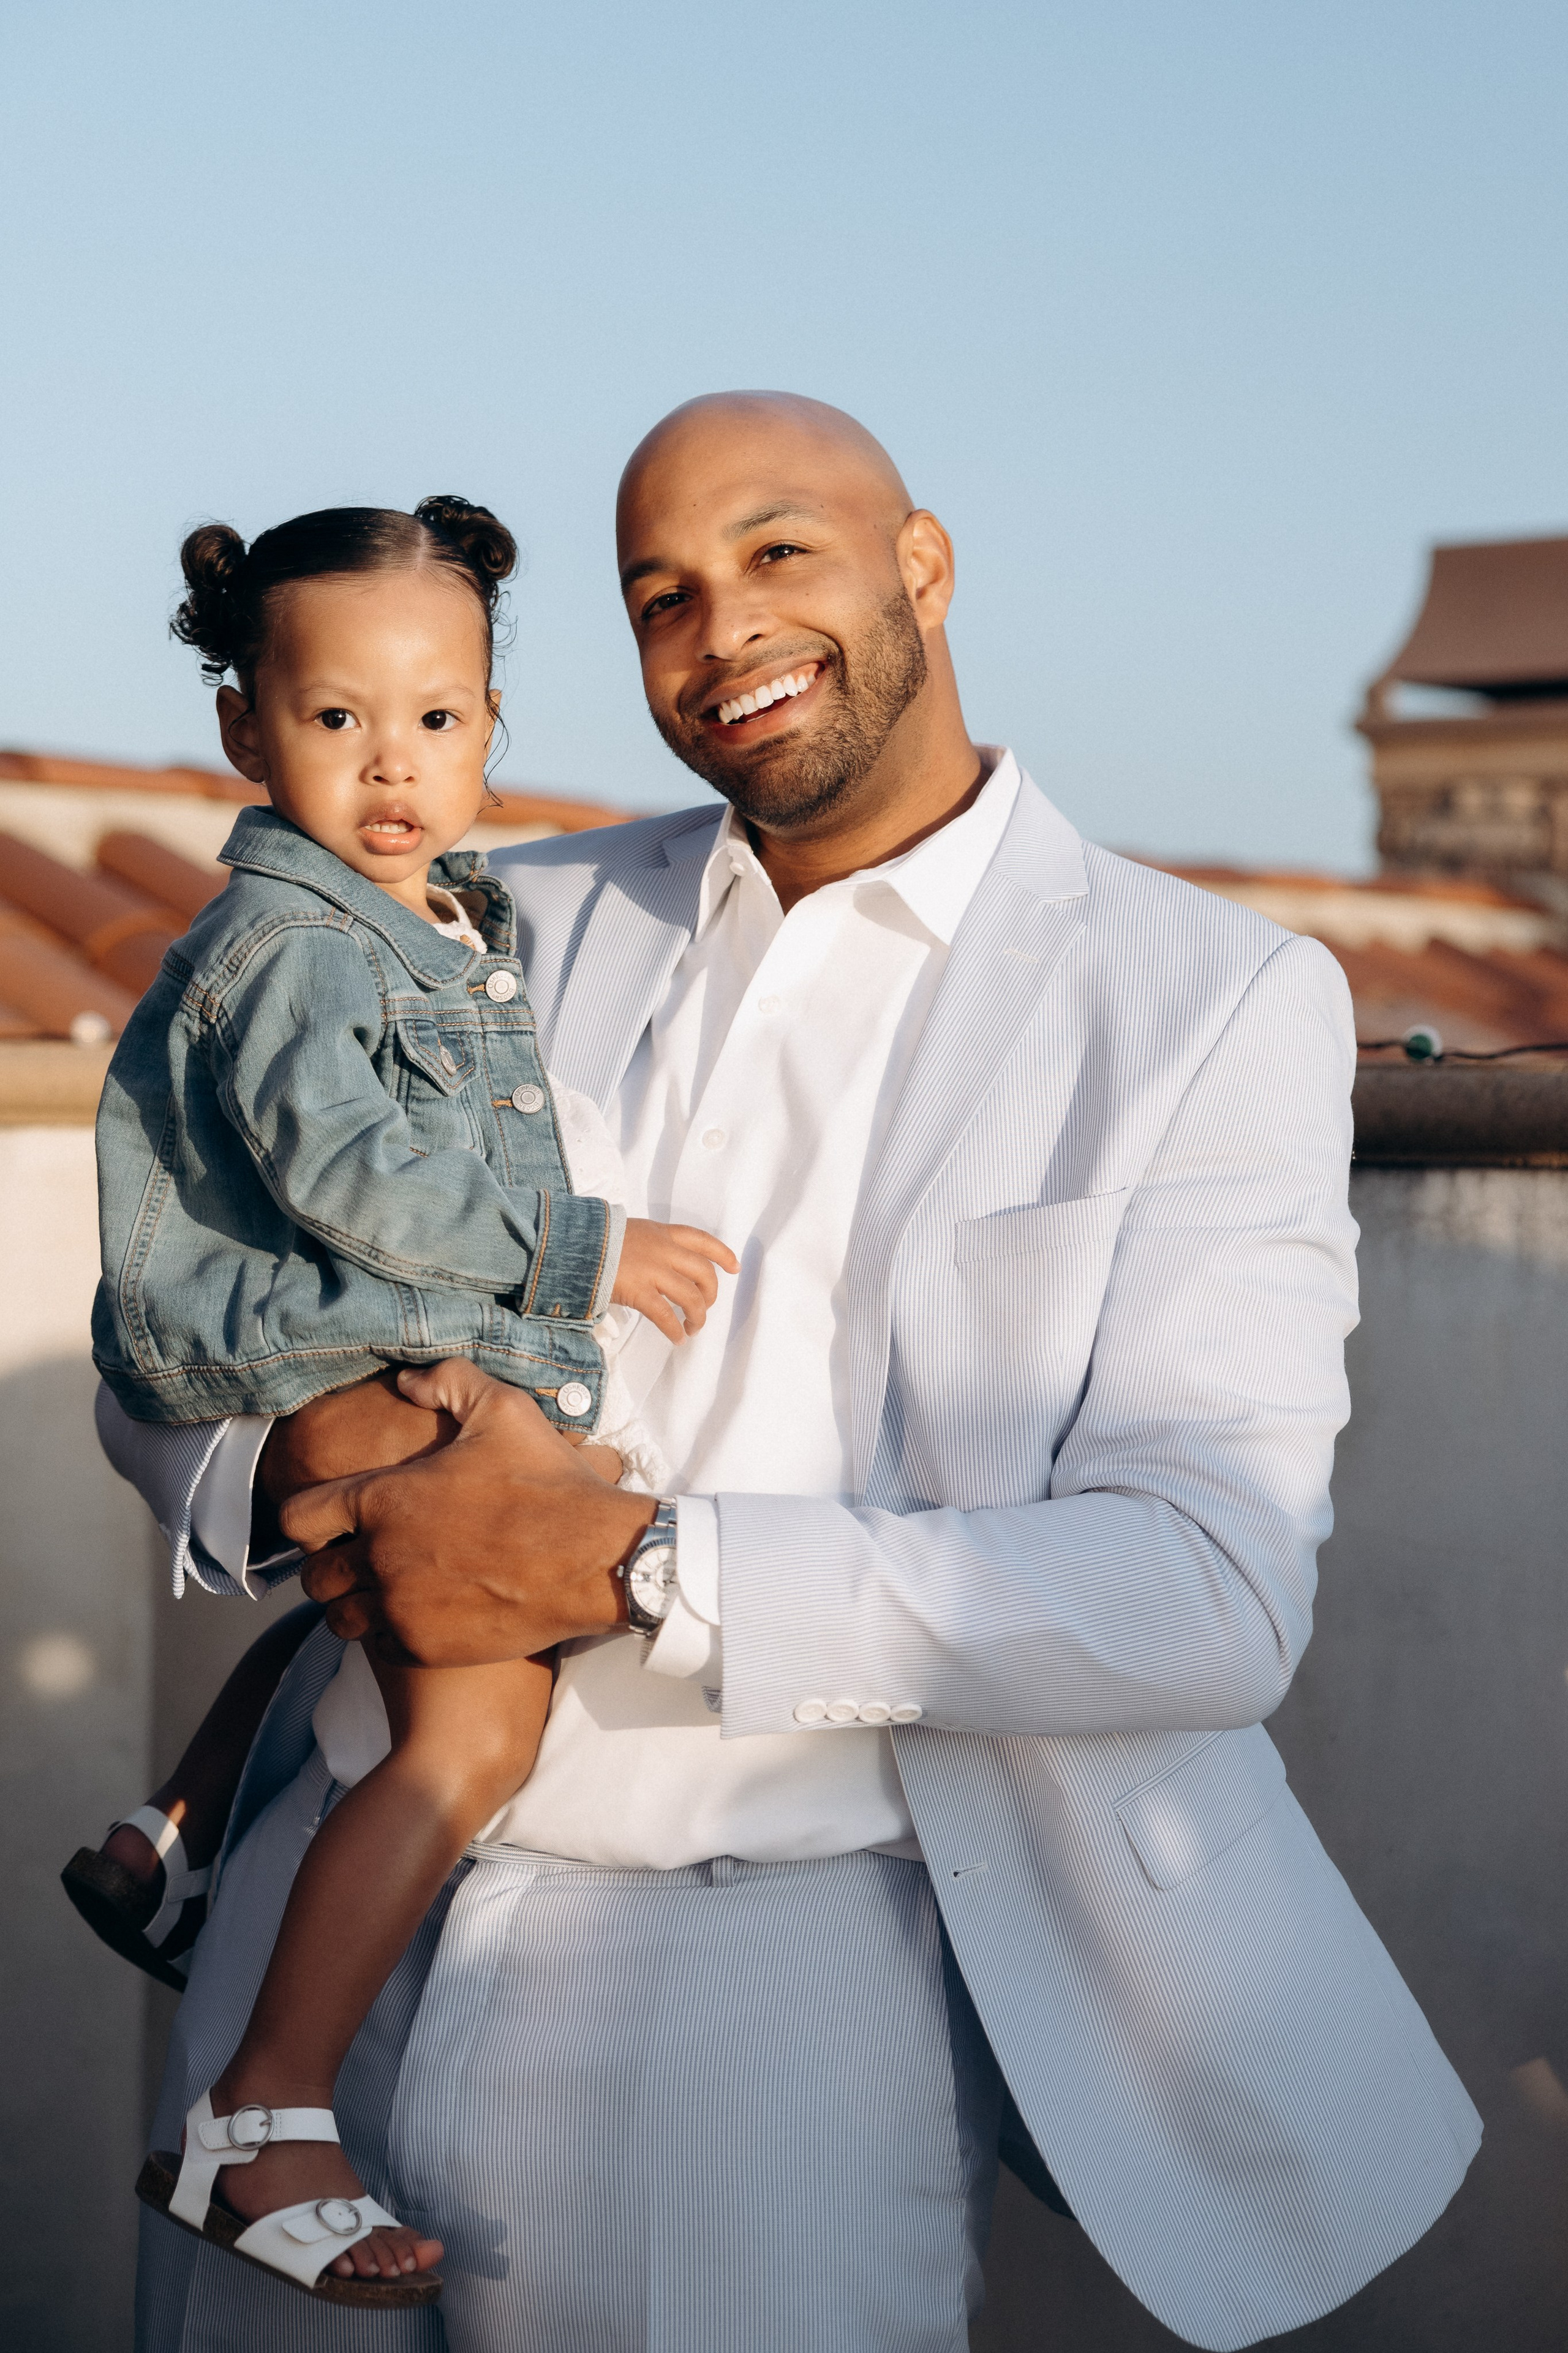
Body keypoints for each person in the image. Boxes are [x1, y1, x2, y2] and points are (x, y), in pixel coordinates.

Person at [101, 394, 1481, 2353]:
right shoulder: (490, 917)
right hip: (323, 1938)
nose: (720, 625)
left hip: (761, 1994)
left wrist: (636, 1566)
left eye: (777, 554)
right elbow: (175, 1310)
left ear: (921, 563)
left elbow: (1212, 1585)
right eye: (659, 591)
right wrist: (303, 1461)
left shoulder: (1208, 997)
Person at [74, 496, 733, 2303]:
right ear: (244, 729)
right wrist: (579, 1250)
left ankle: (181, 1830)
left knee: (423, 1564)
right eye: (337, 718)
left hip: (344, 1342)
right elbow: (356, 1168)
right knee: (470, 1731)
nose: (392, 763)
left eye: (436, 720)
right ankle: (260, 2112)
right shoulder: (300, 941)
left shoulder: (439, 917)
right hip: (293, 1339)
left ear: (494, 725)